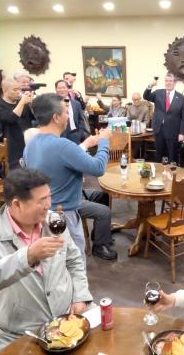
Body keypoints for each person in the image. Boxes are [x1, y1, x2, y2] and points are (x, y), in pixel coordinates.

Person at [0, 169, 92, 352]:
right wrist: (28, 256)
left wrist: (81, 296)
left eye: (49, 197)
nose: (48, 205)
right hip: (21, 334)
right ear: (17, 204)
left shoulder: (53, 222)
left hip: (67, 320)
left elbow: (74, 260)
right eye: (41, 200)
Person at [22, 93, 116, 260]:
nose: (68, 115)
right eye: (66, 111)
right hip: (65, 214)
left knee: (57, 262)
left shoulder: (31, 144)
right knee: (75, 262)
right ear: (56, 117)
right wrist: (104, 141)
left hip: (44, 213)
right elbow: (98, 168)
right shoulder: (63, 145)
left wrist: (87, 144)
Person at [144, 73, 184, 163]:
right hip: (159, 130)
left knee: (172, 157)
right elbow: (146, 96)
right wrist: (150, 85)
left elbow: (183, 117)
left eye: (170, 81)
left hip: (173, 132)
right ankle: (159, 175)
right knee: (159, 156)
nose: (168, 83)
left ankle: (172, 175)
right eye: (166, 81)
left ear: (175, 83)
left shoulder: (181, 98)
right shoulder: (158, 93)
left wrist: (181, 133)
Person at [0, 78, 35, 170]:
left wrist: (32, 105)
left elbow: (35, 117)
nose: (18, 92)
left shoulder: (22, 102)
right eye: (15, 90)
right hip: (12, 145)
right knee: (16, 172)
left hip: (28, 142)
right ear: (4, 90)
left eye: (19, 89)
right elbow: (10, 118)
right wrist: (22, 102)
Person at [56, 80, 88, 145]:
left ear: (68, 89)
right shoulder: (53, 104)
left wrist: (80, 134)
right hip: (59, 136)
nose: (62, 90)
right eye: (59, 88)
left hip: (75, 135)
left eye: (64, 87)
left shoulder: (76, 104)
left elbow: (81, 120)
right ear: (56, 90)